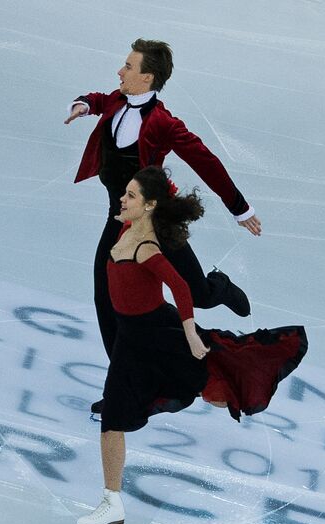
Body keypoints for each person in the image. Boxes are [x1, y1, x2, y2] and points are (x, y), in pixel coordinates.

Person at [75, 166, 306, 524]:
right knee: (112, 420)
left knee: (217, 382)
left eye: (131, 195)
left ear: (149, 206)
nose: (123, 198)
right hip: (131, 340)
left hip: (158, 334)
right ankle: (111, 503)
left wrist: (190, 334)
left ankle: (226, 314)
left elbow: (181, 289)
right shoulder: (124, 228)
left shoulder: (147, 248)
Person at [66, 38, 260, 388]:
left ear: (147, 77)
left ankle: (221, 287)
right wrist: (83, 104)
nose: (120, 71)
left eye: (128, 66)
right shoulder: (116, 100)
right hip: (120, 218)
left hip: (156, 220)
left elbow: (205, 161)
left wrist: (239, 207)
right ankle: (125, 383)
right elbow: (99, 100)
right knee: (105, 296)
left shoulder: (163, 123)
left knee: (196, 294)